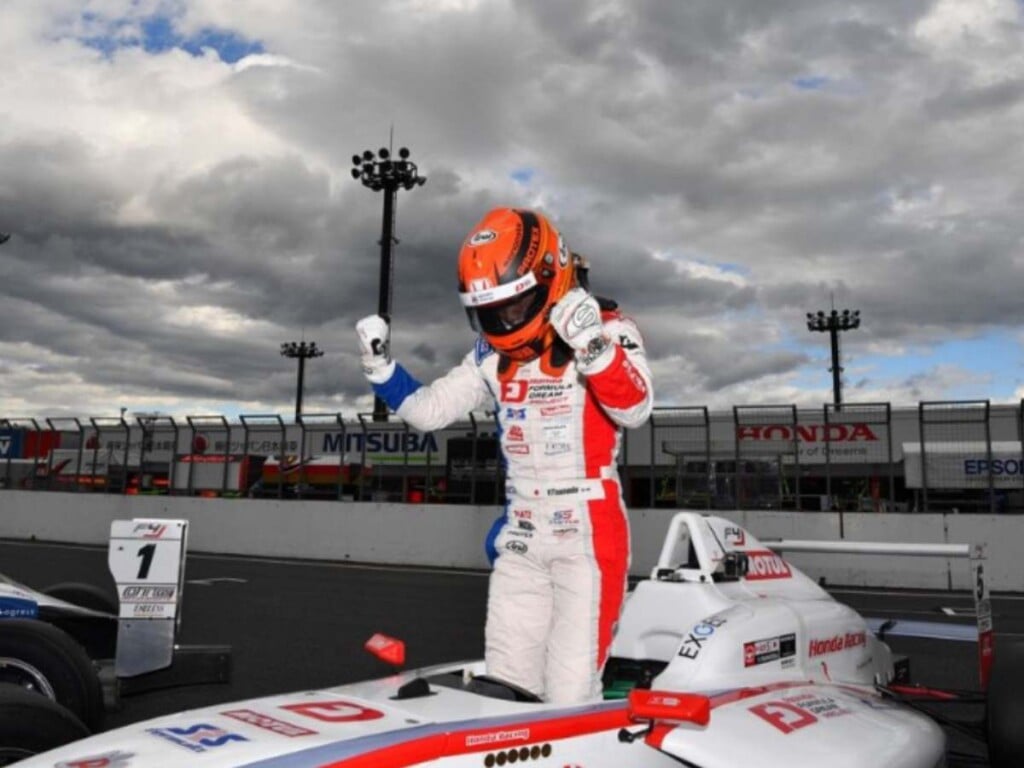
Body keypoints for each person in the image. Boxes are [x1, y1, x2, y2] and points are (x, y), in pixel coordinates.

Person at [355, 207, 653, 704]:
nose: (504, 321)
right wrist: (380, 368)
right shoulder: (488, 353)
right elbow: (430, 411)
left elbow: (636, 408)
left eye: (515, 306)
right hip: (522, 534)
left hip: (587, 536)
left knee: (569, 693)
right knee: (505, 688)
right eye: (491, 311)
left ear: (549, 277)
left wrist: (594, 348)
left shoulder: (606, 326)